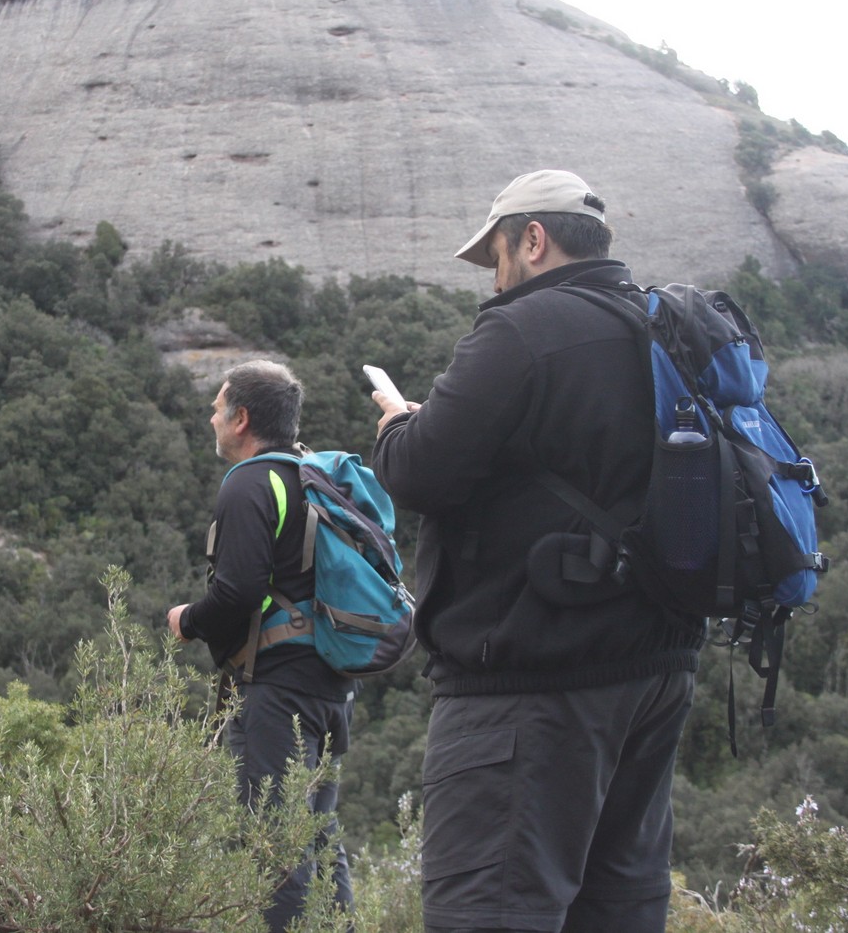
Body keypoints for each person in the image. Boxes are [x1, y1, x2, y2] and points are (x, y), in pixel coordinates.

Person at [369, 170, 705, 933]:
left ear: (532, 238)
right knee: (617, 911)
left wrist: (396, 426)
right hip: (654, 674)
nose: (495, 279)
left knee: (490, 911)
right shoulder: (659, 327)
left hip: (531, 688)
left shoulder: (521, 329)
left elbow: (420, 472)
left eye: (495, 257)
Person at [167, 359, 355, 932]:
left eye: (217, 407)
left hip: (275, 694)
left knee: (273, 848)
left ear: (241, 418)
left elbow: (239, 591)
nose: (211, 417)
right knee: (317, 839)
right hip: (331, 688)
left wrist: (187, 620)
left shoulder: (250, 482)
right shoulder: (312, 477)